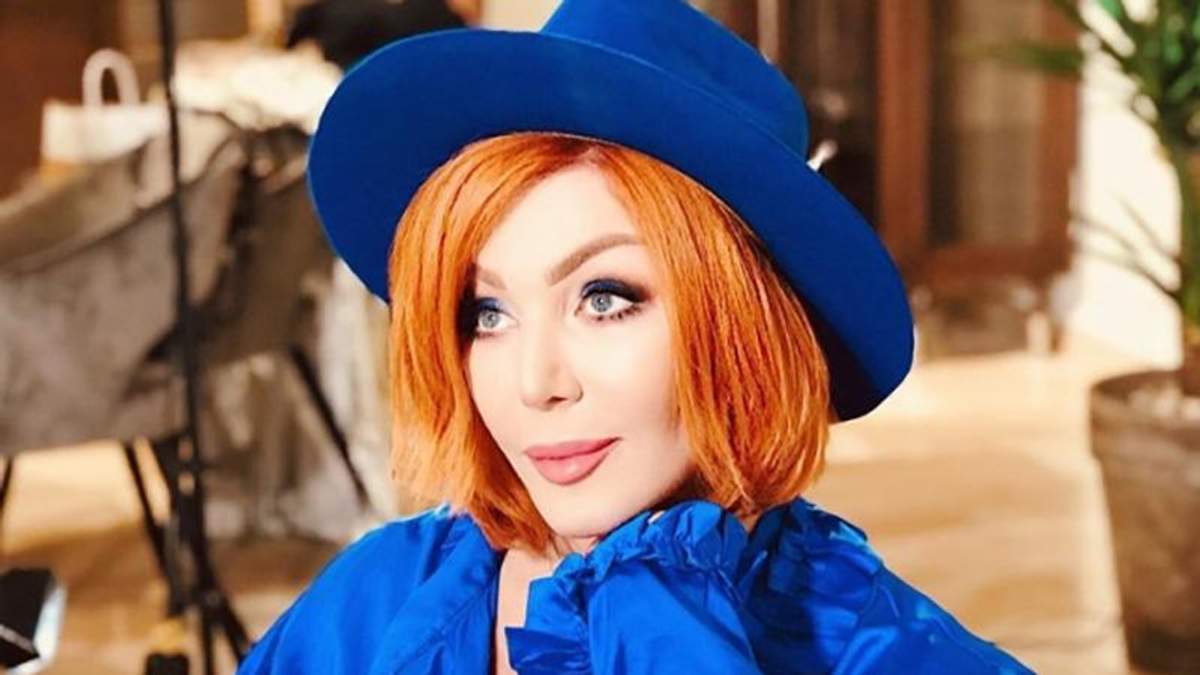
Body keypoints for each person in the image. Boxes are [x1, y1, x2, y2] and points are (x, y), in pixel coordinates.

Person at [239, 0, 1036, 672]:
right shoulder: (377, 598)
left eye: (604, 298)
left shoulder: (886, 650)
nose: (535, 382)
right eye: (486, 313)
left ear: (742, 321)